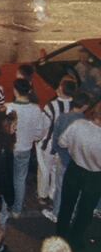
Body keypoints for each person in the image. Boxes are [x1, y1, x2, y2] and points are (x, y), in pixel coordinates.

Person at [55, 102, 101, 250]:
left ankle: (60, 234)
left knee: (66, 204)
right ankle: (76, 239)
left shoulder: (78, 124)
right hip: (95, 176)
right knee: (86, 210)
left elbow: (62, 142)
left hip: (75, 168)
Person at [45, 92, 91, 223]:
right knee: (75, 189)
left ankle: (56, 213)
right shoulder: (85, 123)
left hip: (63, 159)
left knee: (60, 188)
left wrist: (57, 152)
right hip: (77, 162)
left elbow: (56, 139)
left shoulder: (63, 118)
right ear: (85, 106)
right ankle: (71, 214)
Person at [7, 79, 47, 218]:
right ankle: (17, 210)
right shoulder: (36, 109)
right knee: (20, 179)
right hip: (25, 149)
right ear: (29, 91)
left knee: (6, 176)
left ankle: (6, 204)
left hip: (9, 149)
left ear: (15, 90)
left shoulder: (9, 107)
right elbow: (39, 133)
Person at [37, 77, 74, 208]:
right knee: (56, 170)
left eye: (59, 86)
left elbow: (44, 127)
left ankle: (43, 195)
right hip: (64, 147)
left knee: (44, 170)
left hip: (48, 144)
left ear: (62, 90)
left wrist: (39, 138)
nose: (57, 88)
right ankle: (53, 194)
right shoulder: (75, 107)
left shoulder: (51, 106)